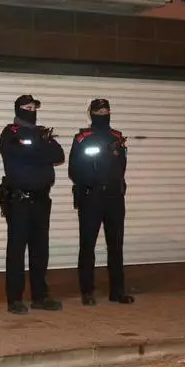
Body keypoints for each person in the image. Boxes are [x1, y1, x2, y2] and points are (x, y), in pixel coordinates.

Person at [0, 94, 65, 315]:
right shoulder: (10, 132)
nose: (32, 111)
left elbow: (58, 154)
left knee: (40, 250)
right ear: (18, 110)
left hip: (41, 200)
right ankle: (15, 299)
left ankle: (40, 296)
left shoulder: (42, 132)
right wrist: (40, 149)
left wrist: (35, 148)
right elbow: (17, 153)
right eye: (27, 107)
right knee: (16, 251)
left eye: (34, 107)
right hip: (20, 200)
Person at [68, 97, 134, 306]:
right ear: (91, 113)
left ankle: (117, 291)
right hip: (91, 197)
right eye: (99, 111)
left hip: (114, 197)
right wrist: (94, 180)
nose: (103, 114)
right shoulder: (83, 138)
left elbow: (121, 166)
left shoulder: (117, 137)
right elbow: (74, 170)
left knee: (116, 245)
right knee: (88, 245)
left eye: (106, 110)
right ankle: (87, 292)